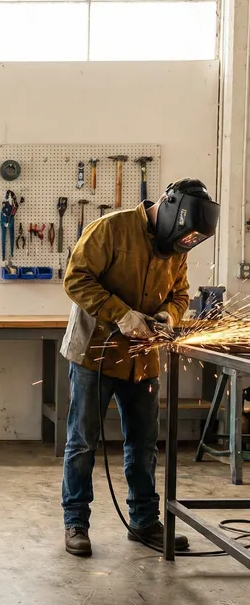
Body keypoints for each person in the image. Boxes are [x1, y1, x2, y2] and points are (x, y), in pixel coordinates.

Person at [60, 178, 220, 557]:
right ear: (168, 208)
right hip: (94, 354)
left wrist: (169, 313)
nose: (185, 245)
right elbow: (75, 279)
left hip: (143, 357)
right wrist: (121, 314)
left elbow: (180, 292)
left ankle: (145, 522)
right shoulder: (111, 228)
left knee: (144, 443)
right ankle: (76, 523)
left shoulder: (177, 244)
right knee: (83, 442)